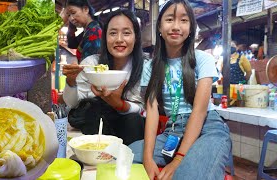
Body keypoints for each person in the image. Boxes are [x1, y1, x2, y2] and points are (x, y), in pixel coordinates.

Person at [128, 0, 232, 179]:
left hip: (208, 127)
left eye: (183, 20)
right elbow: (151, 113)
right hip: (173, 130)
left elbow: (199, 112)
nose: (176, 26)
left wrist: (178, 160)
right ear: (159, 27)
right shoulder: (150, 67)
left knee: (185, 174)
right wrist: (147, 158)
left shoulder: (203, 59)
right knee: (127, 154)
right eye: (169, 19)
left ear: (191, 28)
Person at [62, 9, 145, 145]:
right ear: (105, 38)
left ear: (136, 37)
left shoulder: (145, 67)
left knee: (133, 121)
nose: (119, 40)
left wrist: (119, 105)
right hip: (98, 126)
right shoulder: (91, 64)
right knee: (94, 113)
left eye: (126, 33)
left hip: (130, 131)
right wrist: (71, 82)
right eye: (112, 33)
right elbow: (73, 104)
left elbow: (144, 108)